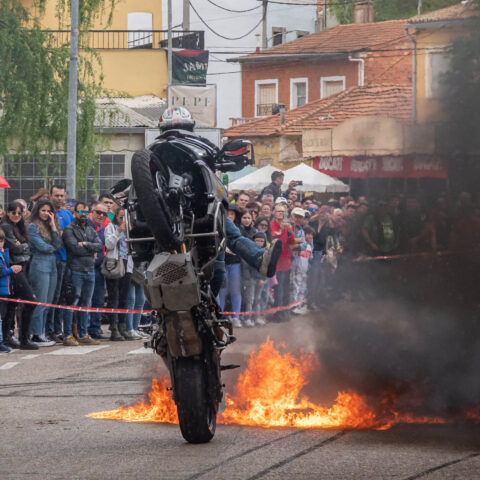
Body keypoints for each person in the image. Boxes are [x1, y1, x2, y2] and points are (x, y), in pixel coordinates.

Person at [62, 202, 103, 346]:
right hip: (76, 270)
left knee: (87, 303)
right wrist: (91, 249)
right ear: (75, 213)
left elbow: (99, 245)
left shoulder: (91, 230)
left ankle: (84, 333)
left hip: (90, 270)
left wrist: (85, 244)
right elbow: (74, 249)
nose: (84, 215)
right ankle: (67, 334)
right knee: (72, 303)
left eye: (86, 212)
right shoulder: (69, 229)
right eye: (81, 212)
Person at [1, 201, 39, 350]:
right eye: (13, 212)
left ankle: (9, 336)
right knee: (29, 301)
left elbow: (25, 247)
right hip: (13, 269)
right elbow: (15, 248)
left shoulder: (21, 227)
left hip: (22, 267)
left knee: (12, 303)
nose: (16, 215)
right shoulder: (5, 226)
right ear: (8, 213)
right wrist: (22, 246)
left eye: (19, 213)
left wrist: (21, 245)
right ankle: (23, 337)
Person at [27, 199, 62, 346]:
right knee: (40, 301)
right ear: (37, 210)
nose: (46, 213)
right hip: (39, 263)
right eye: (43, 210)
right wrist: (52, 246)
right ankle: (35, 333)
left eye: (49, 211)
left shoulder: (49, 225)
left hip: (52, 264)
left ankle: (41, 332)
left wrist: (53, 225)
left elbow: (58, 244)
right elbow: (43, 247)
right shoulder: (32, 226)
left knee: (48, 302)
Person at [105, 208, 140, 340]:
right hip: (114, 264)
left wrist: (131, 232)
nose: (123, 221)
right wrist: (119, 230)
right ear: (116, 218)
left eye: (125, 218)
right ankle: (113, 328)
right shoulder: (110, 227)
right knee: (114, 297)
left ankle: (122, 326)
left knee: (124, 297)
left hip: (127, 264)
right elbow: (109, 244)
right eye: (121, 217)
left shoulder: (129, 231)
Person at [46, 184, 74, 343]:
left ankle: (58, 329)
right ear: (51, 196)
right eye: (56, 196)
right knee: (53, 297)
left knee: (63, 297)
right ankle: (49, 330)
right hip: (53, 260)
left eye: (62, 196)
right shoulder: (46, 213)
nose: (59, 199)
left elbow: (70, 237)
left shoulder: (68, 215)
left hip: (66, 260)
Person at [87, 201, 109, 340]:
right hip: (85, 269)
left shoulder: (103, 230)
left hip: (100, 270)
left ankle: (95, 329)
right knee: (86, 301)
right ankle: (85, 329)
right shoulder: (84, 227)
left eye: (104, 214)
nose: (101, 215)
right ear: (92, 212)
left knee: (98, 300)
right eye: (98, 212)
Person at [270, 203, 295, 317]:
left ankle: (284, 311)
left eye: (283, 212)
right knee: (277, 289)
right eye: (278, 211)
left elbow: (291, 242)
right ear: (274, 213)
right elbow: (276, 241)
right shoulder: (271, 225)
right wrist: (281, 232)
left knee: (285, 288)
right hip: (275, 262)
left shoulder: (287, 226)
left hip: (286, 261)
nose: (281, 213)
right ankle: (277, 313)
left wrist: (289, 231)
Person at [0, 228, 18, 353]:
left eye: (1, 240)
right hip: (1, 292)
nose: (0, 243)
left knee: (2, 316)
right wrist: (12, 269)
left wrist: (4, 252)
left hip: (5, 291)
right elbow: (1, 272)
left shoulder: (2, 254)